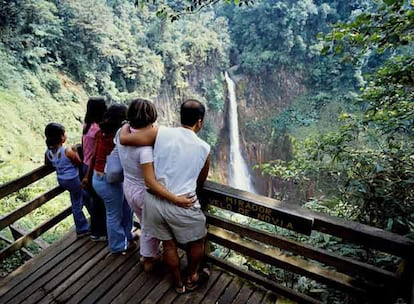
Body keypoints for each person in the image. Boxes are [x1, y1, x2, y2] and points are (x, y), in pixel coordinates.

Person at [120, 99, 210, 293]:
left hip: (154, 201)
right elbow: (201, 179)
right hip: (183, 203)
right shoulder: (204, 148)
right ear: (200, 122)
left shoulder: (161, 132)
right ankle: (193, 276)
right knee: (197, 240)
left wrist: (126, 124)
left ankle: (178, 284)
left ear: (180, 116)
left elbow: (125, 139)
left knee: (169, 245)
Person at [115, 98, 195, 271]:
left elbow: (123, 133)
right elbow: (151, 182)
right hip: (144, 192)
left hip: (128, 187)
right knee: (153, 227)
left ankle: (148, 255)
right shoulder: (146, 149)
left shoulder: (122, 133)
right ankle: (149, 260)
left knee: (146, 223)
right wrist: (176, 199)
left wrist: (124, 125)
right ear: (152, 117)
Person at [88, 103, 134, 254]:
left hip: (99, 177)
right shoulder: (119, 136)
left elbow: (94, 156)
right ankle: (117, 246)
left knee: (125, 207)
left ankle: (126, 236)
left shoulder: (101, 132)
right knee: (114, 214)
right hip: (109, 180)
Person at [44, 123, 90, 237]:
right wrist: (75, 151)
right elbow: (78, 162)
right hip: (73, 180)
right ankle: (82, 228)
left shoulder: (48, 152)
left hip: (62, 180)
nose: (66, 135)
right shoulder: (67, 151)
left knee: (83, 195)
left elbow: (48, 163)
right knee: (77, 203)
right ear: (60, 137)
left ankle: (93, 217)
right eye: (64, 133)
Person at [81, 97, 108, 242]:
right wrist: (87, 175)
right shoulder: (98, 130)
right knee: (99, 201)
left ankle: (95, 229)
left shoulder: (87, 124)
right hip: (91, 168)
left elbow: (84, 145)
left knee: (93, 200)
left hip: (84, 165)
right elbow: (95, 156)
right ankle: (98, 232)